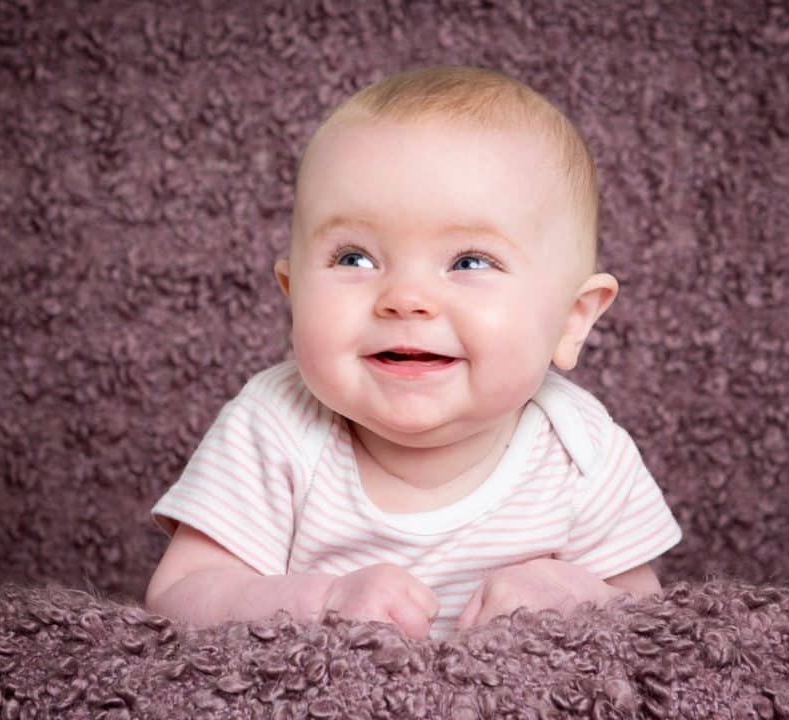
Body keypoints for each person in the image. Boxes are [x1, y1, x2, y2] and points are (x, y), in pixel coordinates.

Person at [144, 65, 682, 641]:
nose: (405, 299)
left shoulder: (581, 450)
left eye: (470, 262)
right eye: (354, 258)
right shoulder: (273, 427)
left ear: (573, 321)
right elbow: (178, 596)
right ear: (293, 295)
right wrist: (320, 601)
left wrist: (572, 597)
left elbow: (649, 627)